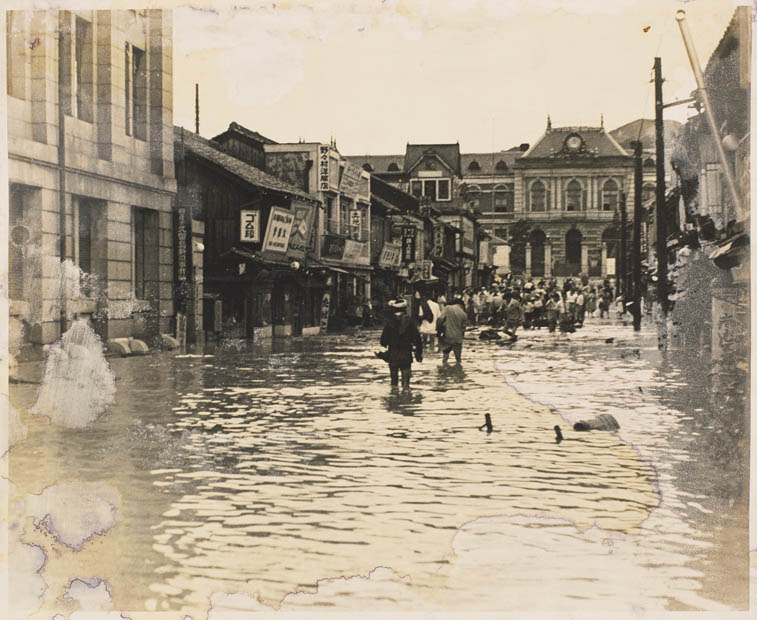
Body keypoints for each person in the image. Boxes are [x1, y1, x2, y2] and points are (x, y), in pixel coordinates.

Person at [379, 298, 423, 389]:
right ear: (405, 309)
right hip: (406, 354)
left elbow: (383, 341)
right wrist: (419, 353)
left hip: (393, 355)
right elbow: (417, 339)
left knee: (393, 384)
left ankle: (394, 400)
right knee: (406, 385)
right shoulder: (410, 322)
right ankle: (406, 398)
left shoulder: (389, 323)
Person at [437, 297, 468, 365]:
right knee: (458, 360)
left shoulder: (448, 308)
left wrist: (438, 330)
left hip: (447, 337)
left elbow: (440, 318)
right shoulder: (464, 314)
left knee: (445, 358)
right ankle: (458, 370)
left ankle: (444, 370)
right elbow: (463, 329)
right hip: (458, 339)